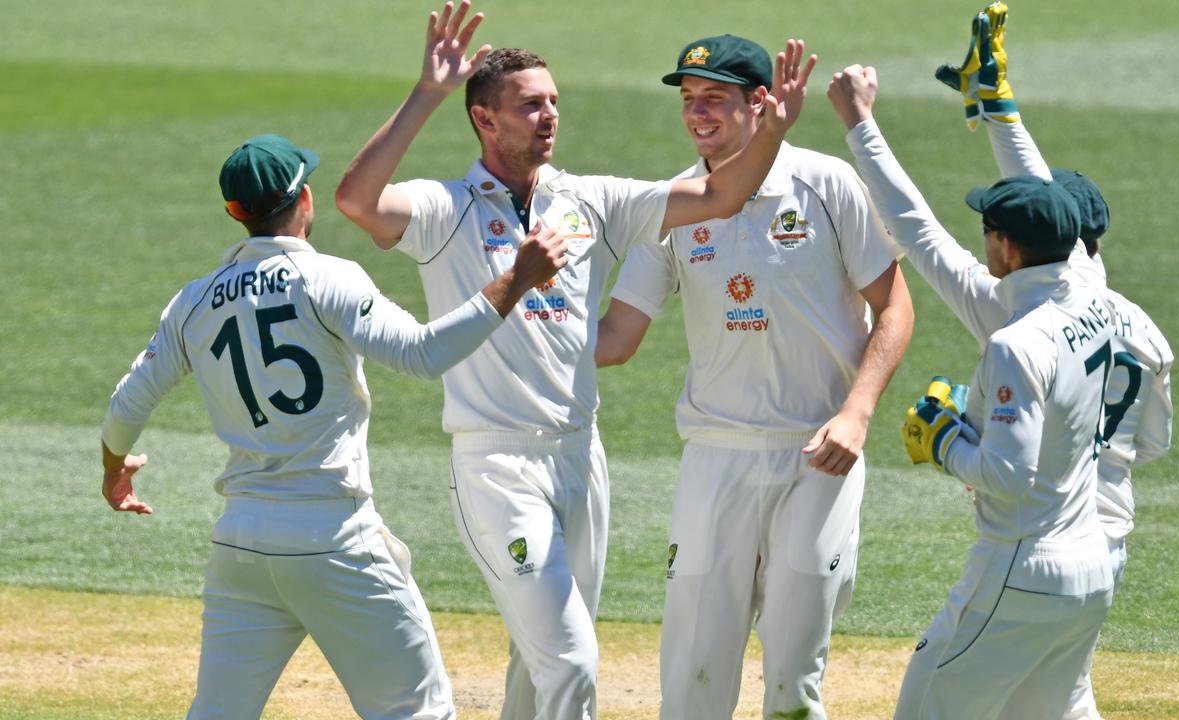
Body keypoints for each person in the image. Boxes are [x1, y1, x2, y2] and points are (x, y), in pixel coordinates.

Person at [333, 3, 815, 718]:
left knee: (542, 667)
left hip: (579, 458)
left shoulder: (590, 202)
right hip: (497, 466)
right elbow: (355, 199)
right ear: (485, 121)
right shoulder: (445, 209)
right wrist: (427, 93)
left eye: (553, 101)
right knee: (572, 662)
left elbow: (721, 192)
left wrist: (772, 128)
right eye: (529, 106)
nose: (549, 116)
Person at [100, 133, 568, 720]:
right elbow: (423, 354)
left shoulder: (193, 302)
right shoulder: (328, 278)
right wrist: (515, 279)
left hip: (241, 546)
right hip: (334, 540)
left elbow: (126, 405)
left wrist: (115, 469)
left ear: (235, 212)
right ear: (305, 200)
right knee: (417, 711)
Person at [593, 34, 913, 720]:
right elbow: (616, 337)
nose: (697, 114)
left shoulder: (825, 184)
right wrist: (520, 334)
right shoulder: (675, 205)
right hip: (717, 458)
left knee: (794, 681)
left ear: (760, 103)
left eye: (714, 99)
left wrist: (856, 413)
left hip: (819, 455)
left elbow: (894, 306)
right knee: (693, 679)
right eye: (688, 100)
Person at [830, 63, 1118, 718]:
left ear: (1008, 249)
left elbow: (1005, 475)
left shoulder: (1017, 339)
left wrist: (945, 438)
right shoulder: (1091, 292)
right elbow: (1035, 201)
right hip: (1088, 571)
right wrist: (998, 108)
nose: (980, 238)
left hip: (1020, 571)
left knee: (926, 707)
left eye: (989, 229)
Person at [929, 5, 1174, 717]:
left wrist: (949, 439)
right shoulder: (1117, 309)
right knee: (1063, 699)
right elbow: (1155, 444)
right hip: (1108, 535)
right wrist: (998, 104)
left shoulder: (1045, 317)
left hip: (1046, 537)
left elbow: (1028, 201)